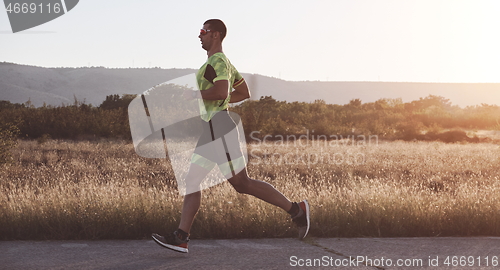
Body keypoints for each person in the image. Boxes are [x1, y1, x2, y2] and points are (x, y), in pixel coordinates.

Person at [152, 19, 310, 253]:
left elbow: (221, 91)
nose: (199, 36)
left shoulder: (217, 61)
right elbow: (242, 92)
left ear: (215, 34)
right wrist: (220, 99)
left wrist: (196, 95)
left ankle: (297, 211)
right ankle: (181, 237)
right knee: (193, 181)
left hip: (219, 126)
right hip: (212, 127)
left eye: (203, 31)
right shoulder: (222, 62)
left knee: (242, 183)